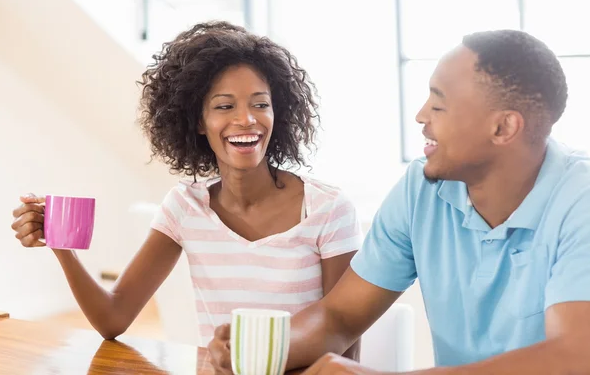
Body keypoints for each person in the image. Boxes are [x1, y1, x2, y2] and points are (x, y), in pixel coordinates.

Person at [208, 29, 590, 374]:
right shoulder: (422, 188)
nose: (421, 115)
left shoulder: (580, 199)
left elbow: (575, 356)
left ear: (503, 127)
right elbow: (340, 316)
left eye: (438, 106)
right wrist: (270, 347)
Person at [10, 21, 362, 353]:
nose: (246, 119)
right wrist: (61, 246)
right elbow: (112, 318)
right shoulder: (185, 207)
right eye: (225, 106)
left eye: (260, 104)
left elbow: (344, 344)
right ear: (197, 122)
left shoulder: (327, 209)